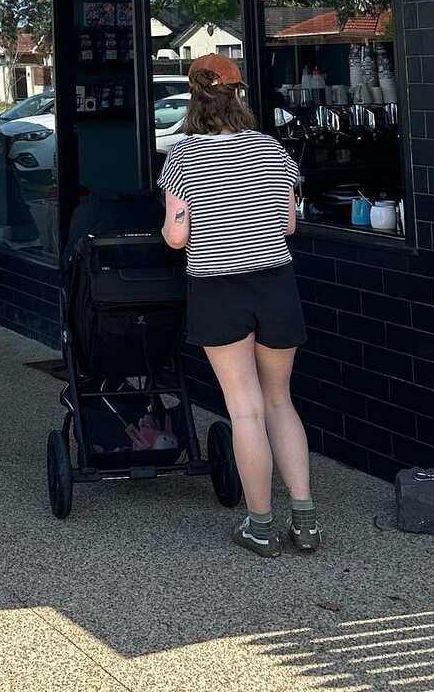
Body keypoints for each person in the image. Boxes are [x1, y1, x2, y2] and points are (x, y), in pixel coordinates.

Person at [158, 53, 317, 559]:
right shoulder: (272, 148)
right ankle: (306, 520)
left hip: (218, 288)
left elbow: (177, 236)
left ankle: (261, 526)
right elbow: (290, 226)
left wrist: (177, 223)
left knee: (244, 411)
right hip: (275, 285)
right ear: (239, 95)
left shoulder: (182, 157)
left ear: (194, 97)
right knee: (280, 402)